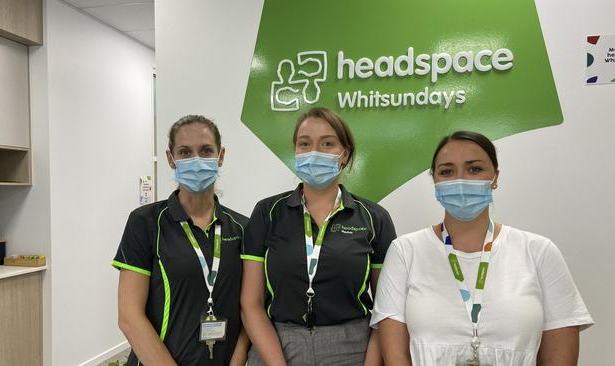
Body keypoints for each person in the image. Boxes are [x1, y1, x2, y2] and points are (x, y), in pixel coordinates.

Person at [371, 131, 593, 366]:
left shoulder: (539, 252)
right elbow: (395, 356)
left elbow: (560, 357)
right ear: (434, 180)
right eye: (447, 171)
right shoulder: (405, 251)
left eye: (474, 169)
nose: (460, 180)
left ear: (495, 177)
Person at [241, 107, 397, 365]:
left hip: (351, 346)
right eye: (305, 144)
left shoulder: (374, 217)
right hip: (276, 343)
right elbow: (251, 303)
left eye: (327, 143)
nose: (315, 152)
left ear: (344, 154)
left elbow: (386, 307)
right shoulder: (267, 212)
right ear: (296, 152)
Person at [112, 115, 249, 365]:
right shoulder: (145, 222)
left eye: (206, 150)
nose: (196, 160)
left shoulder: (243, 227)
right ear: (171, 159)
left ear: (221, 157)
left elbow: (250, 309)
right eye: (185, 152)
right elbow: (129, 317)